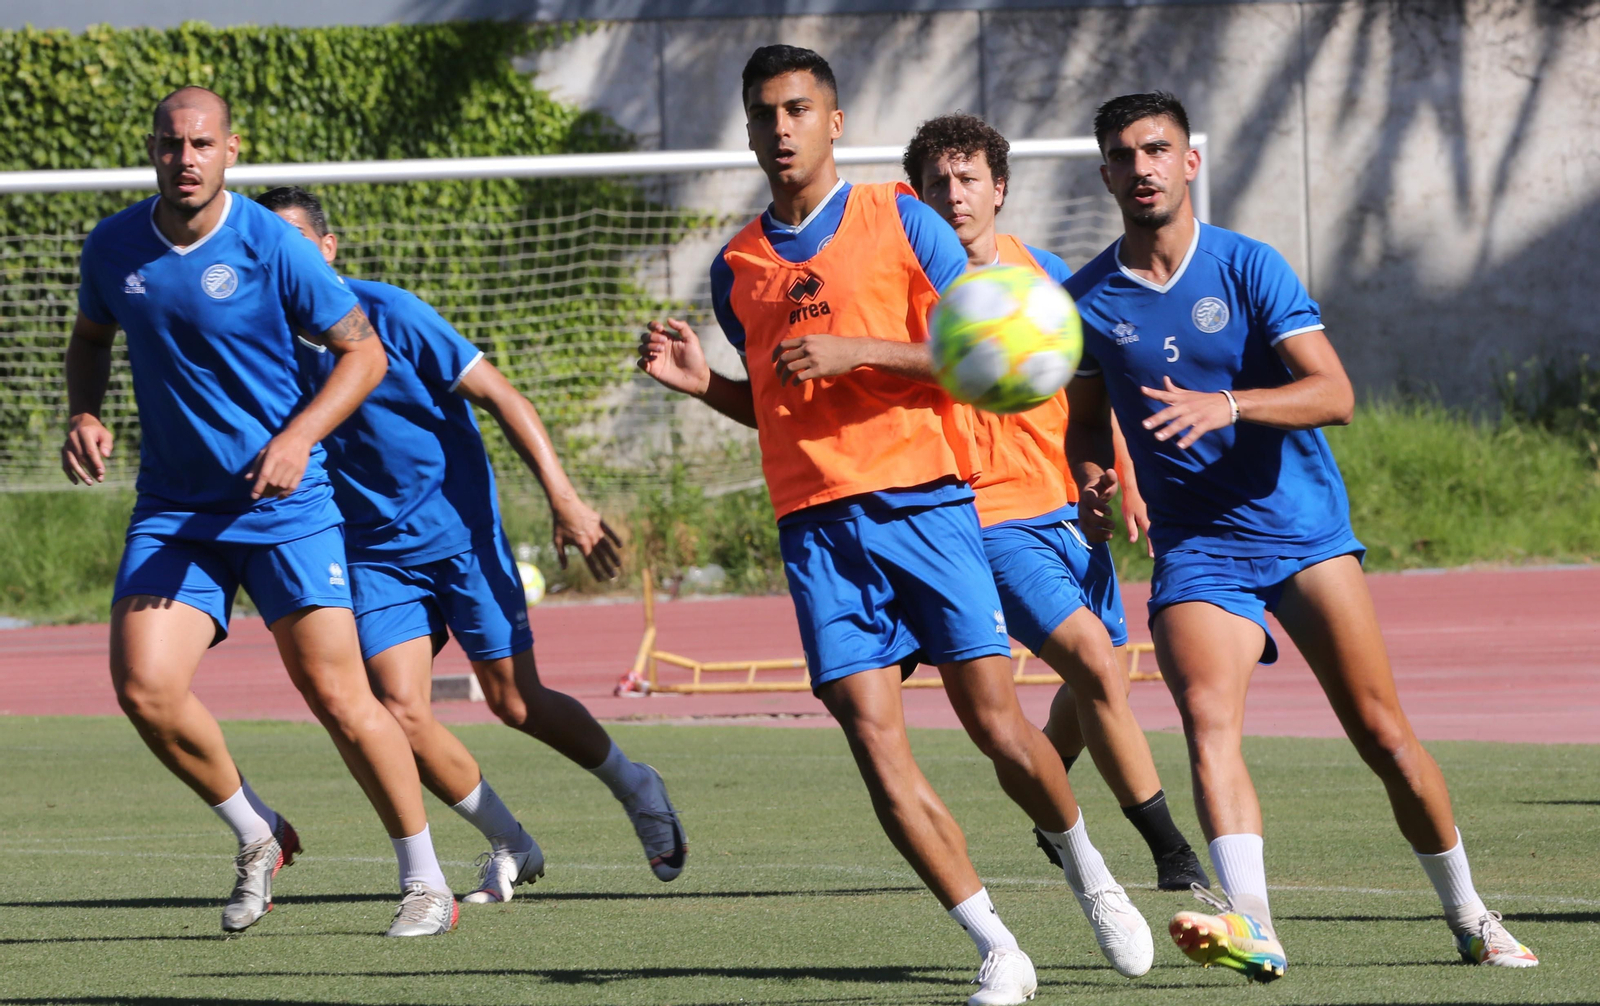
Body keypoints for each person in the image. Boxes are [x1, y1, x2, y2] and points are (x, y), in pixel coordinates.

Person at [638, 46, 1151, 1006]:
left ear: (834, 123)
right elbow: (776, 401)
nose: (780, 128)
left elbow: (990, 356)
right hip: (816, 533)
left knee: (996, 725)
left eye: (797, 109)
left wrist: (857, 349)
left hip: (927, 504)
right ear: (749, 131)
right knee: (877, 748)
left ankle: (1090, 874)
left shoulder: (902, 217)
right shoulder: (736, 266)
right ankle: (997, 945)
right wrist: (702, 383)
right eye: (763, 115)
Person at [1063, 90, 1539, 980]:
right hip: (1196, 549)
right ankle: (1254, 927)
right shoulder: (1084, 298)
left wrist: (1231, 404)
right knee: (1208, 722)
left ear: (1189, 161)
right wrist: (1094, 481)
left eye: (1157, 149)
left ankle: (1472, 914)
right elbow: (1087, 422)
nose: (1143, 169)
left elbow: (1336, 394)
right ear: (1106, 175)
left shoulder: (1248, 265)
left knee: (1383, 737)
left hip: (1303, 533)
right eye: (1124, 156)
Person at [63, 87, 456, 937]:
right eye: (171, 144)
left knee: (342, 700)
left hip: (286, 508)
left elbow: (364, 353)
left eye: (202, 143)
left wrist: (298, 437)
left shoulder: (274, 246)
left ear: (230, 150)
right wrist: (84, 413)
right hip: (175, 510)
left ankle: (426, 880)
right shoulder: (114, 246)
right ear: (154, 149)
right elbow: (91, 338)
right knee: (145, 689)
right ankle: (257, 832)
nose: (186, 159)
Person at [257, 185, 687, 903]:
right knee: (397, 711)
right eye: (267, 249)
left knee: (515, 702)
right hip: (373, 553)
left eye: (295, 241)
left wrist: (566, 498)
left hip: (461, 536)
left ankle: (636, 784)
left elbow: (504, 397)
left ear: (327, 250)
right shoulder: (264, 346)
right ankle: (511, 841)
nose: (283, 260)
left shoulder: (389, 314)